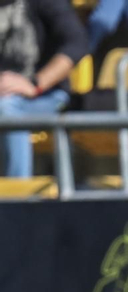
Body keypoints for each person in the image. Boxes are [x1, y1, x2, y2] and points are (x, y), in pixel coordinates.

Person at [0, 0, 88, 179]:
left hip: (47, 97)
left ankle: (18, 196)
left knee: (6, 108)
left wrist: (35, 84)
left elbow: (77, 43)